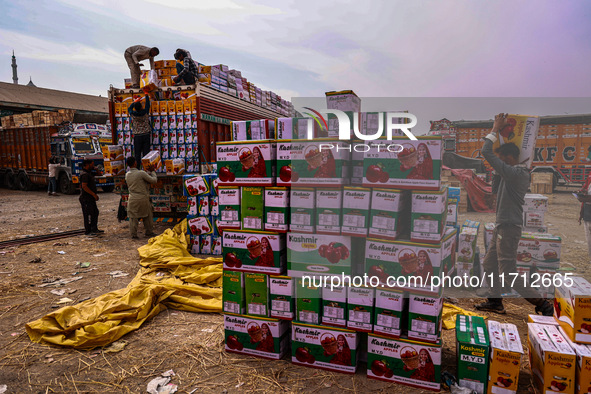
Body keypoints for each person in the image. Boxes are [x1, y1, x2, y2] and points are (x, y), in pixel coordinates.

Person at [475, 113, 553, 316]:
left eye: (501, 160)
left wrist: (494, 129)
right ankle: (495, 301)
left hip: (509, 228)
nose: (498, 163)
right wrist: (498, 168)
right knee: (489, 263)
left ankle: (542, 303)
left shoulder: (517, 174)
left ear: (510, 159)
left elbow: (486, 151)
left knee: (507, 273)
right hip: (503, 225)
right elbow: (493, 190)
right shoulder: (507, 174)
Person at [125, 156, 157, 239]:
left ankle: (133, 235)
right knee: (147, 215)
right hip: (142, 198)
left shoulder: (127, 174)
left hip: (132, 198)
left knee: (133, 217)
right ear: (135, 163)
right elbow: (154, 180)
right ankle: (149, 232)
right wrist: (152, 171)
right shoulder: (141, 173)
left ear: (127, 164)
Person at [79, 159, 103, 235]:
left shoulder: (90, 173)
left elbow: (100, 175)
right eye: (92, 164)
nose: (93, 166)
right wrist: (93, 194)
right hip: (86, 198)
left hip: (90, 198)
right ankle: (88, 230)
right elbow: (84, 186)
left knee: (95, 212)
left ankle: (94, 228)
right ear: (87, 165)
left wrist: (96, 169)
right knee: (88, 214)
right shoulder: (85, 174)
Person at [128, 95, 152, 168]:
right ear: (142, 107)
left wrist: (134, 102)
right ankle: (146, 168)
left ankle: (137, 168)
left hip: (137, 136)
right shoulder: (145, 113)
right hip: (146, 135)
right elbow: (148, 105)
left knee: (137, 154)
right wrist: (147, 95)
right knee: (146, 153)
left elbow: (129, 108)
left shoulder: (133, 114)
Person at [577, 173, 591, 258]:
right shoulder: (590, 175)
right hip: (587, 209)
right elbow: (586, 187)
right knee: (588, 235)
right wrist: (582, 192)